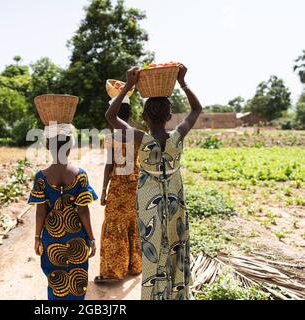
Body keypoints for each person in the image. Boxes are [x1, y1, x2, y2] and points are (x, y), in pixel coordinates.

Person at [105, 64, 203, 300]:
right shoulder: (177, 136)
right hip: (175, 205)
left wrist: (128, 85)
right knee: (177, 249)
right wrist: (182, 81)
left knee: (153, 252)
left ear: (144, 117)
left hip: (150, 206)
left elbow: (111, 116)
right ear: (170, 116)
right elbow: (197, 108)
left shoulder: (140, 138)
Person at [28, 130, 98, 300]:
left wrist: (37, 238)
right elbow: (83, 211)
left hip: (52, 239)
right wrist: (91, 238)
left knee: (55, 282)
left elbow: (40, 212)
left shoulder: (41, 177)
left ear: (48, 147)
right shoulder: (80, 175)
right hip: (77, 237)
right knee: (77, 281)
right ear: (70, 146)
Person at [95, 102, 142, 283]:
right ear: (129, 114)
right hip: (135, 185)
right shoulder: (137, 135)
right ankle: (135, 265)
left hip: (118, 185)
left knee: (114, 224)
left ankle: (114, 271)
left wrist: (104, 190)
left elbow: (109, 165)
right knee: (132, 223)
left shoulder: (111, 138)